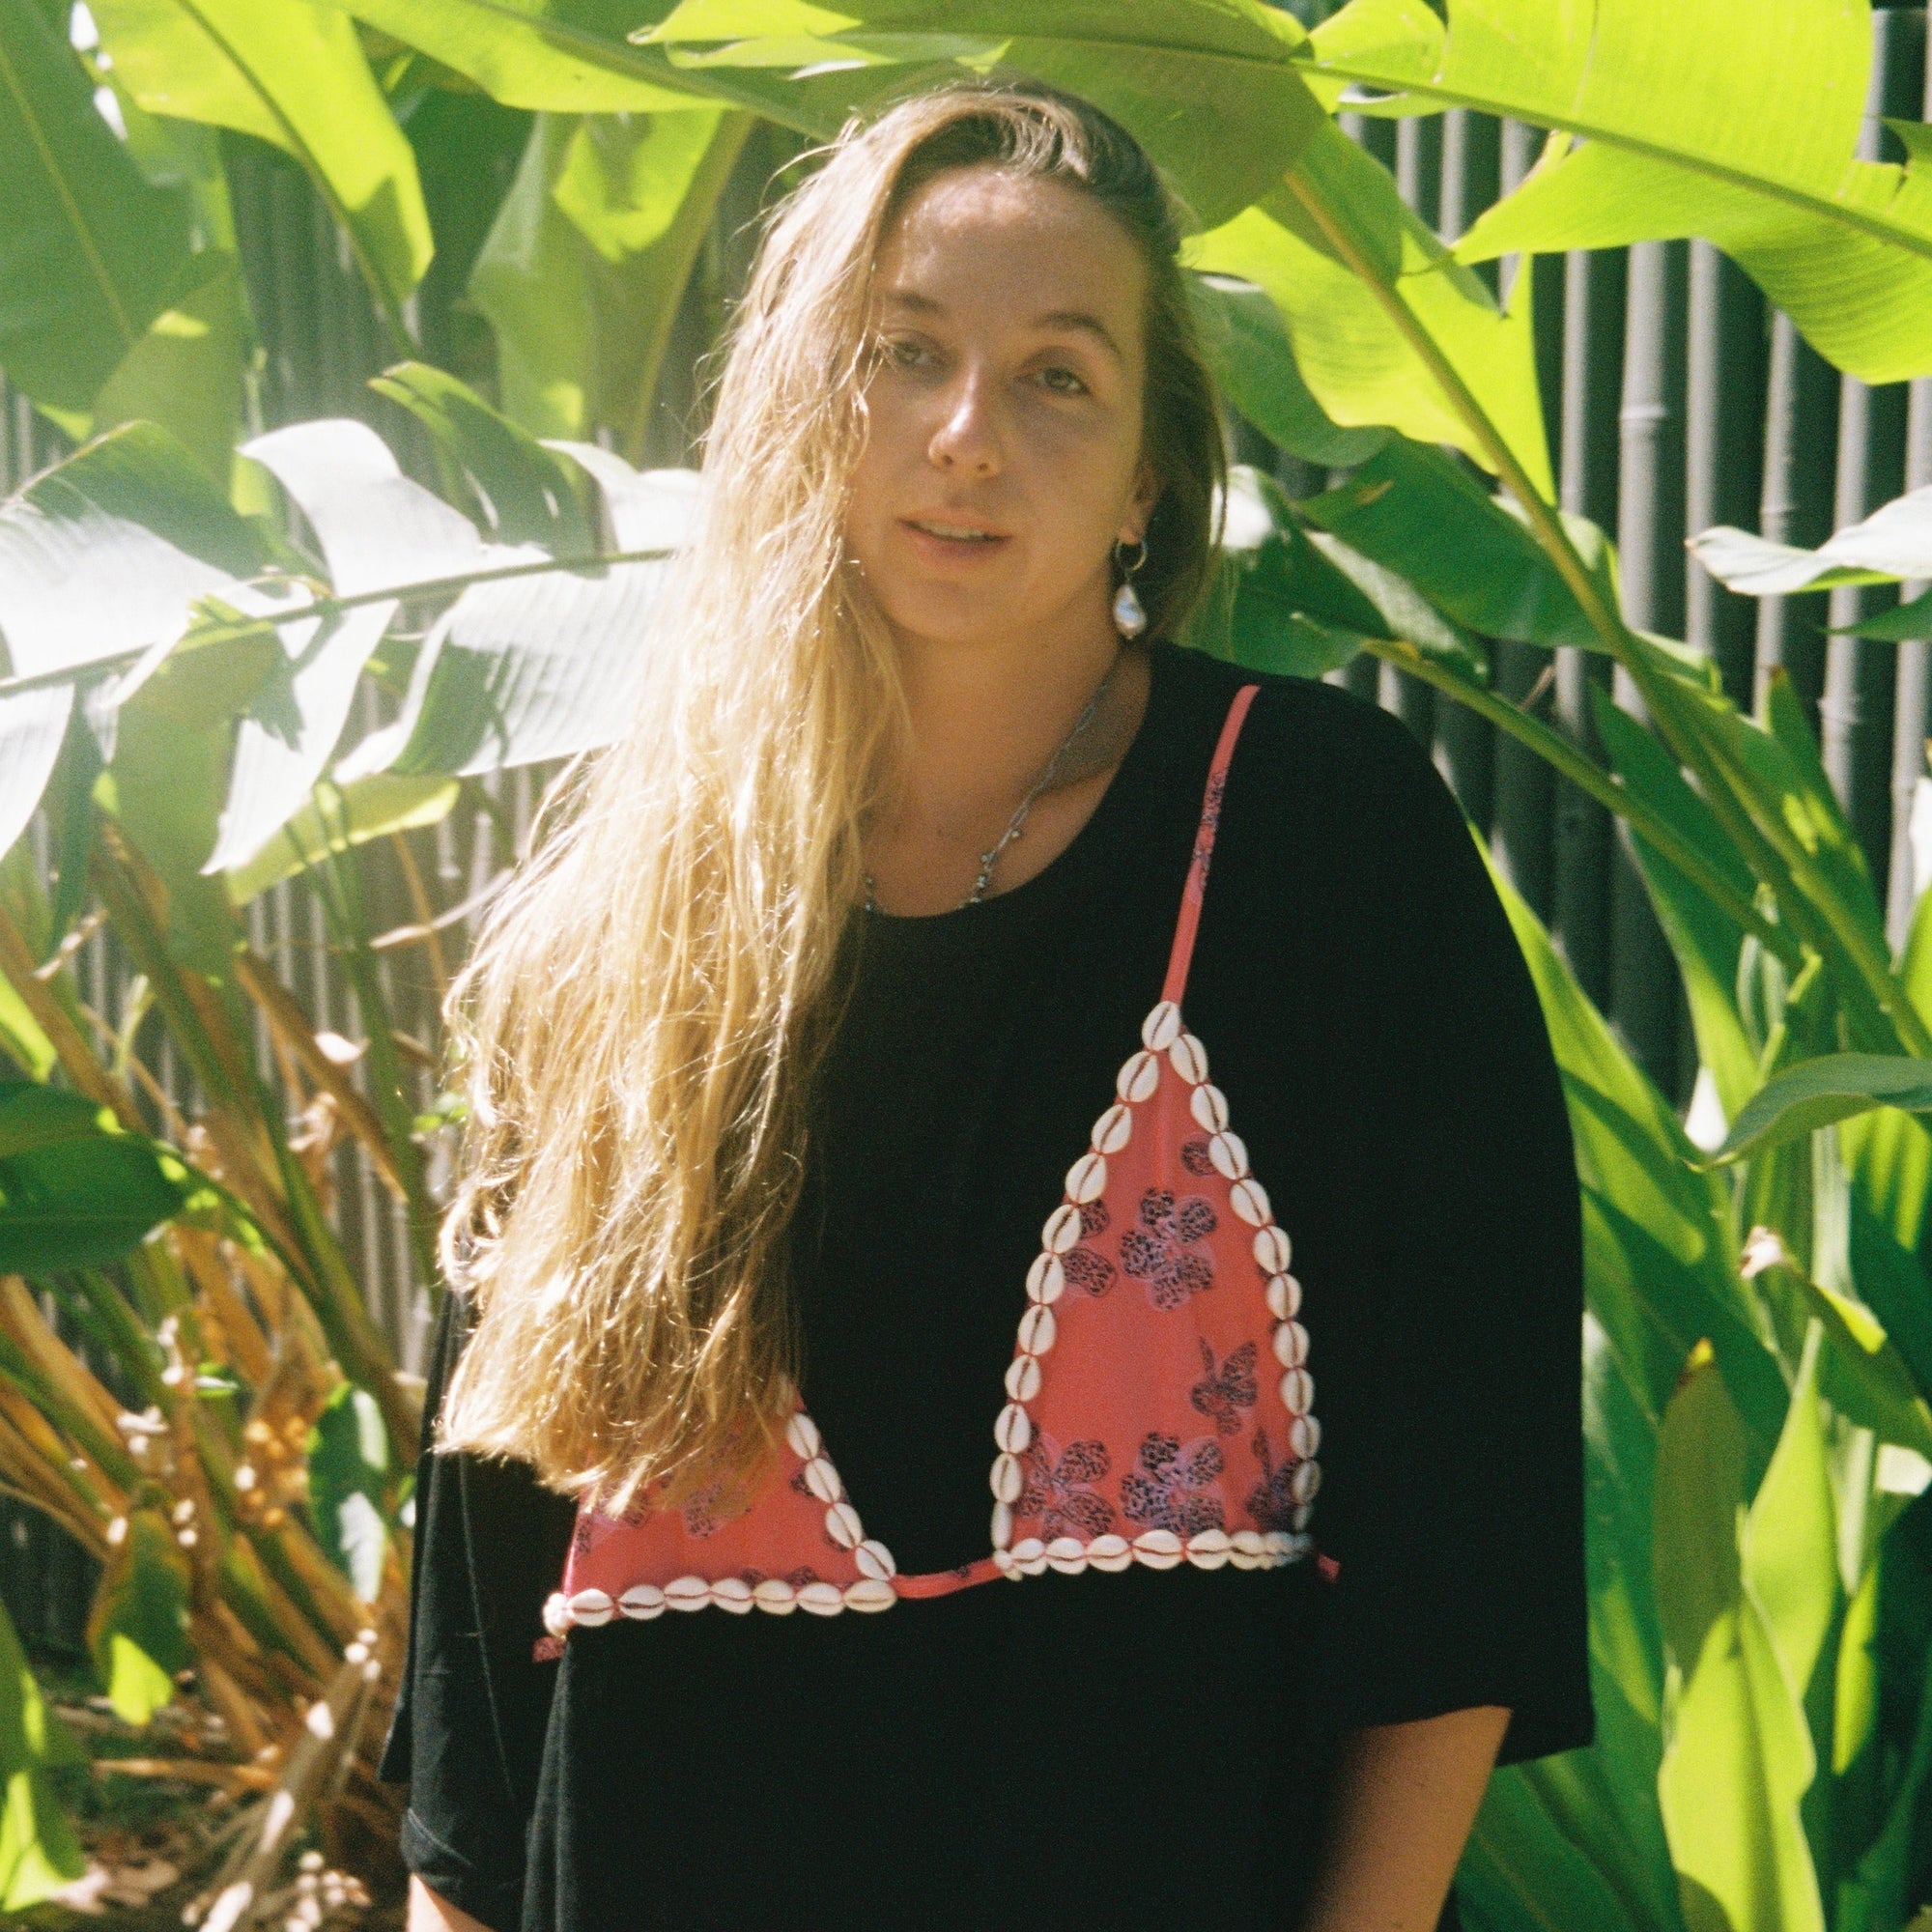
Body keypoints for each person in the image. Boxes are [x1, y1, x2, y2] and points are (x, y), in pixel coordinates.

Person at [383, 80, 1590, 1932]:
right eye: (905, 353)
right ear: (806, 401)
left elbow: (1461, 1527)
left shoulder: (1323, 842)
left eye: (1057, 378)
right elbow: (480, 1681)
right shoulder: (627, 911)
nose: (966, 435)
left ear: (1150, 473)